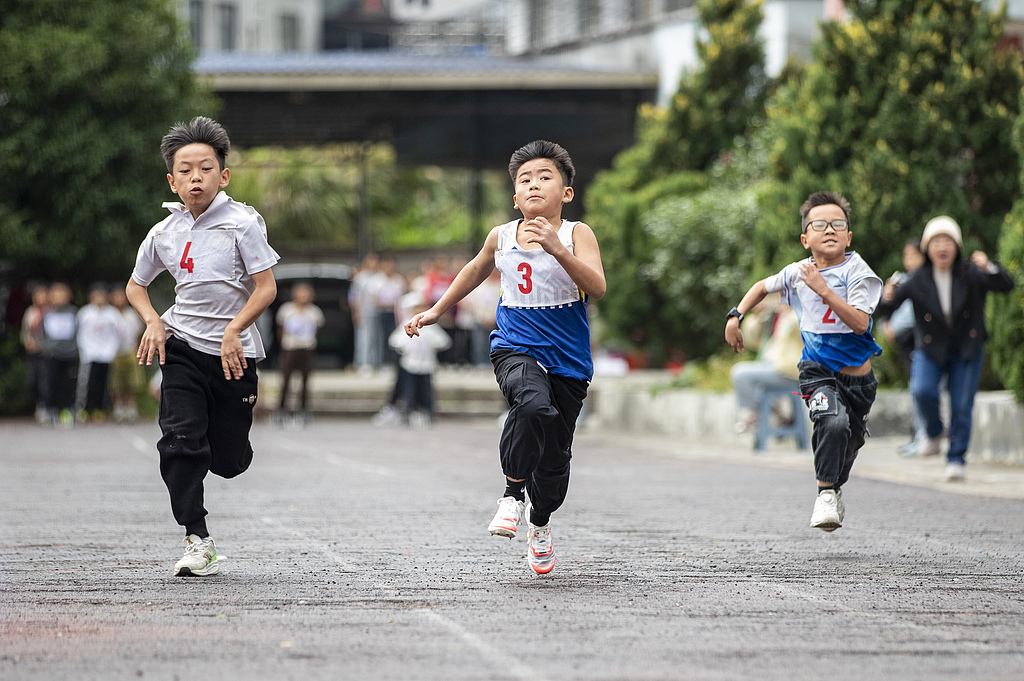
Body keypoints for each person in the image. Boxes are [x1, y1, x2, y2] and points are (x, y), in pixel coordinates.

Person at [404, 140, 606, 574]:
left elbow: (599, 286)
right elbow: (476, 269)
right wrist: (438, 310)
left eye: (544, 177)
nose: (534, 184)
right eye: (524, 179)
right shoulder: (502, 235)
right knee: (530, 403)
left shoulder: (577, 233)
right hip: (515, 344)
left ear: (566, 193)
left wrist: (556, 248)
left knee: (554, 465)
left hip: (568, 358)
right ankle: (512, 494)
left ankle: (540, 520)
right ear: (515, 198)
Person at [126, 116, 279, 577]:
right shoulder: (162, 233)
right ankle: (198, 537)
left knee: (229, 462)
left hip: (233, 358)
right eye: (186, 170)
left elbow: (266, 287)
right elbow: (136, 287)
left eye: (206, 168)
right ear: (172, 180)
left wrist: (235, 330)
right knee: (178, 440)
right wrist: (152, 320)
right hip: (183, 348)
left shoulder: (243, 223)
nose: (197, 178)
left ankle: (214, 445)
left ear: (223, 175)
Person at [725, 191, 882, 532]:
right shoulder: (797, 272)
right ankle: (825, 492)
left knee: (851, 439)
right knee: (833, 421)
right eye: (820, 224)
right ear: (805, 237)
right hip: (816, 370)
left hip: (858, 379)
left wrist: (823, 288)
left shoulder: (859, 273)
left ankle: (834, 486)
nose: (830, 229)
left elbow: (859, 323)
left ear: (849, 236)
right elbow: (761, 287)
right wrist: (735, 316)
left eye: (838, 224)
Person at [879, 216, 1013, 481]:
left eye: (948, 240)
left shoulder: (972, 273)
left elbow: (1005, 285)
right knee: (921, 391)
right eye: (936, 241)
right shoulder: (917, 279)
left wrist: (989, 267)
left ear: (957, 246)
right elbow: (885, 309)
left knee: (962, 404)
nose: (942, 246)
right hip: (931, 349)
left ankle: (956, 457)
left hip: (967, 348)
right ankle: (934, 431)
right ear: (928, 248)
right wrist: (886, 296)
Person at [878, 239, 926, 456]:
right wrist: (887, 297)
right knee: (916, 389)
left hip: (920, 343)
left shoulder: (923, 280)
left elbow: (908, 313)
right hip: (906, 345)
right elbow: (884, 310)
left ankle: (923, 437)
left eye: (912, 256)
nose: (908, 261)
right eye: (906, 256)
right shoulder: (905, 281)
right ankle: (918, 436)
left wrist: (892, 328)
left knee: (922, 390)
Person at [729, 303, 803, 433]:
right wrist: (757, 316)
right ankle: (776, 415)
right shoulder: (774, 316)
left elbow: (802, 328)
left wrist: (789, 312)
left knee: (740, 374)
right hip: (771, 365)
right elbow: (751, 340)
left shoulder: (797, 313)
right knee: (748, 382)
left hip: (790, 370)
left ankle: (755, 415)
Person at [388, 292, 451, 428]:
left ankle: (426, 412)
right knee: (409, 390)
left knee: (426, 391)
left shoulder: (431, 328)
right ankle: (408, 412)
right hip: (410, 364)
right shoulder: (405, 325)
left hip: (426, 365)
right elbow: (396, 342)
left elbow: (443, 342)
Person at [275, 282, 325, 423]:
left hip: (307, 348)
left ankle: (303, 409)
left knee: (305, 380)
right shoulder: (286, 310)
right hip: (290, 347)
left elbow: (317, 329)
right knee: (285, 379)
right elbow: (280, 329)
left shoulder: (314, 312)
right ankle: (281, 409)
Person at [75, 284, 123, 422]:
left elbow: (119, 333)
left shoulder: (112, 314)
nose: (99, 298)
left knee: (103, 384)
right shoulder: (84, 313)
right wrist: (84, 351)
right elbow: (79, 333)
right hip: (89, 354)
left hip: (106, 355)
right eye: (96, 295)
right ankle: (82, 409)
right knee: (86, 383)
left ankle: (99, 409)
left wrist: (112, 350)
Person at [39, 282, 79, 428]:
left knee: (68, 384)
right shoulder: (47, 313)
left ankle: (68, 411)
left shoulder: (74, 313)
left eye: (62, 294)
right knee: (51, 383)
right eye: (56, 294)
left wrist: (75, 348)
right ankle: (51, 411)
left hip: (70, 355)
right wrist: (46, 348)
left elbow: (79, 333)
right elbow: (41, 335)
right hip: (52, 355)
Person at [109, 287, 145, 423]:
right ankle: (118, 410)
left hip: (130, 351)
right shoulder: (109, 314)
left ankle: (131, 410)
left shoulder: (131, 313)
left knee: (132, 383)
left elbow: (137, 333)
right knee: (116, 383)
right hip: (114, 352)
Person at [20, 283, 50, 423]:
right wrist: (27, 342)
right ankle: (39, 403)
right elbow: (25, 331)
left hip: (48, 353)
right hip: (34, 353)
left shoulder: (51, 312)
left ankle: (45, 407)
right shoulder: (30, 312)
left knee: (46, 380)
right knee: (33, 380)